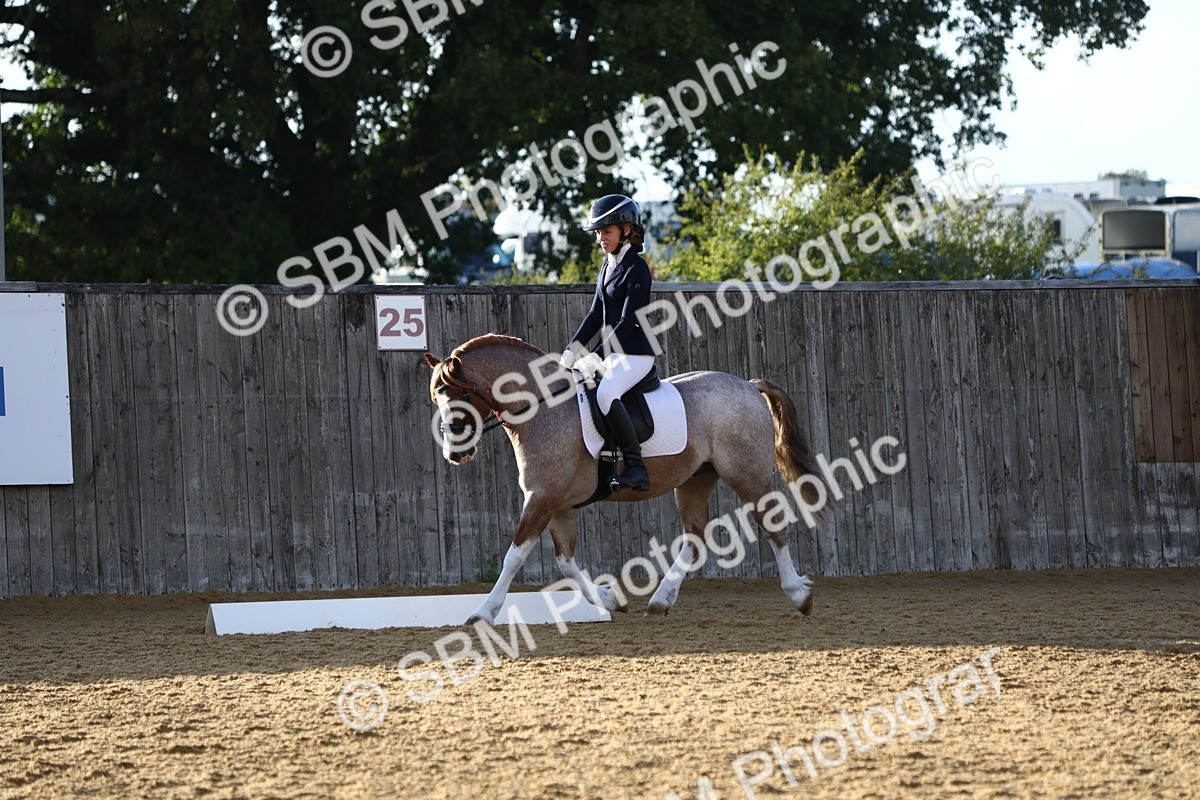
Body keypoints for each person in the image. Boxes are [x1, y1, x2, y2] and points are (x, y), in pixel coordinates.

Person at [560, 193, 656, 492]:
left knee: (605, 394)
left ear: (627, 231)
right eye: (599, 232)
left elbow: (629, 322)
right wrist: (572, 349)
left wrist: (597, 355)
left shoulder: (637, 268)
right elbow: (594, 314)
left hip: (637, 355)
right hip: (615, 354)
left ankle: (636, 468)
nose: (601, 238)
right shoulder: (607, 267)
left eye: (607, 231)